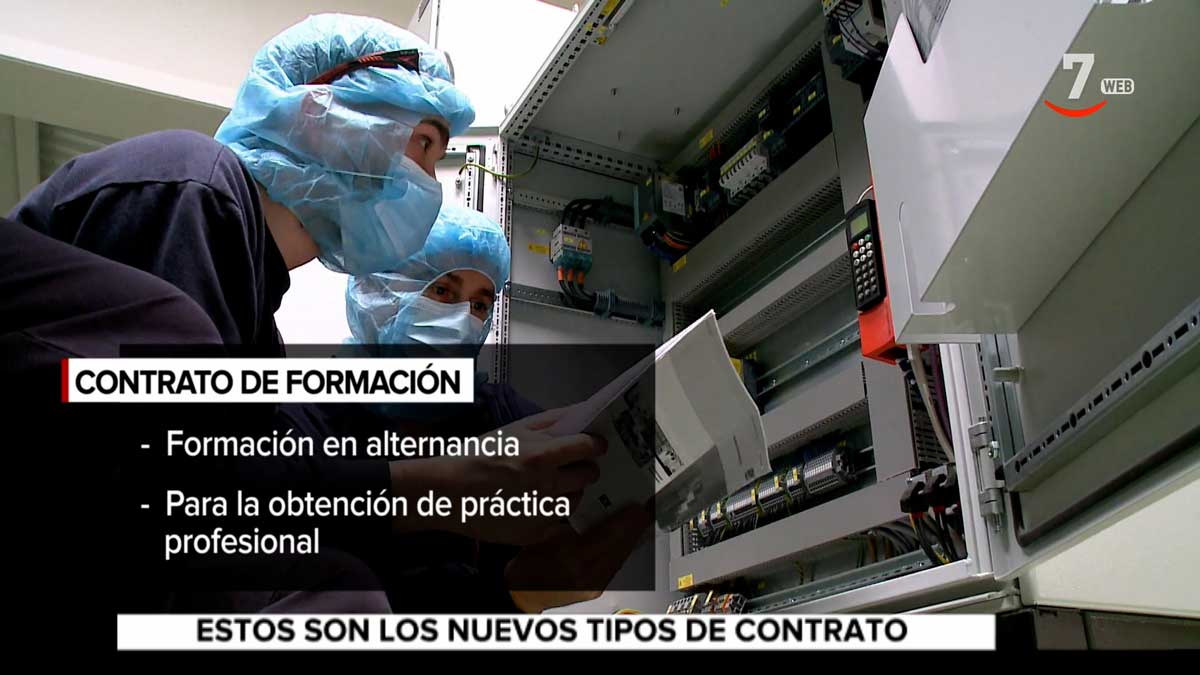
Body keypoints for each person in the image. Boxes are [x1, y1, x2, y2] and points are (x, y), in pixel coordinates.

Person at [2, 14, 608, 614]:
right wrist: (437, 489)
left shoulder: (256, 328)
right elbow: (175, 490)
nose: (426, 183)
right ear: (321, 112)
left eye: (480, 304)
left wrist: (513, 591)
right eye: (423, 144)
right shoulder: (195, 185)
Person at [295, 204, 651, 614]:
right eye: (443, 292)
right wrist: (515, 596)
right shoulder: (310, 418)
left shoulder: (496, 411)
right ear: (381, 292)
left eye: (479, 306)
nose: (462, 321)